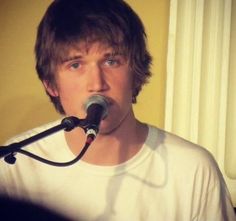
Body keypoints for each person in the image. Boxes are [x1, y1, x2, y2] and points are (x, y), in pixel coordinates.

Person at [0, 0, 235, 220]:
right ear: (51, 85)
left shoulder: (193, 170)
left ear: (136, 73)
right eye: (75, 64)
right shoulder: (14, 166)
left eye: (111, 61)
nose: (97, 83)